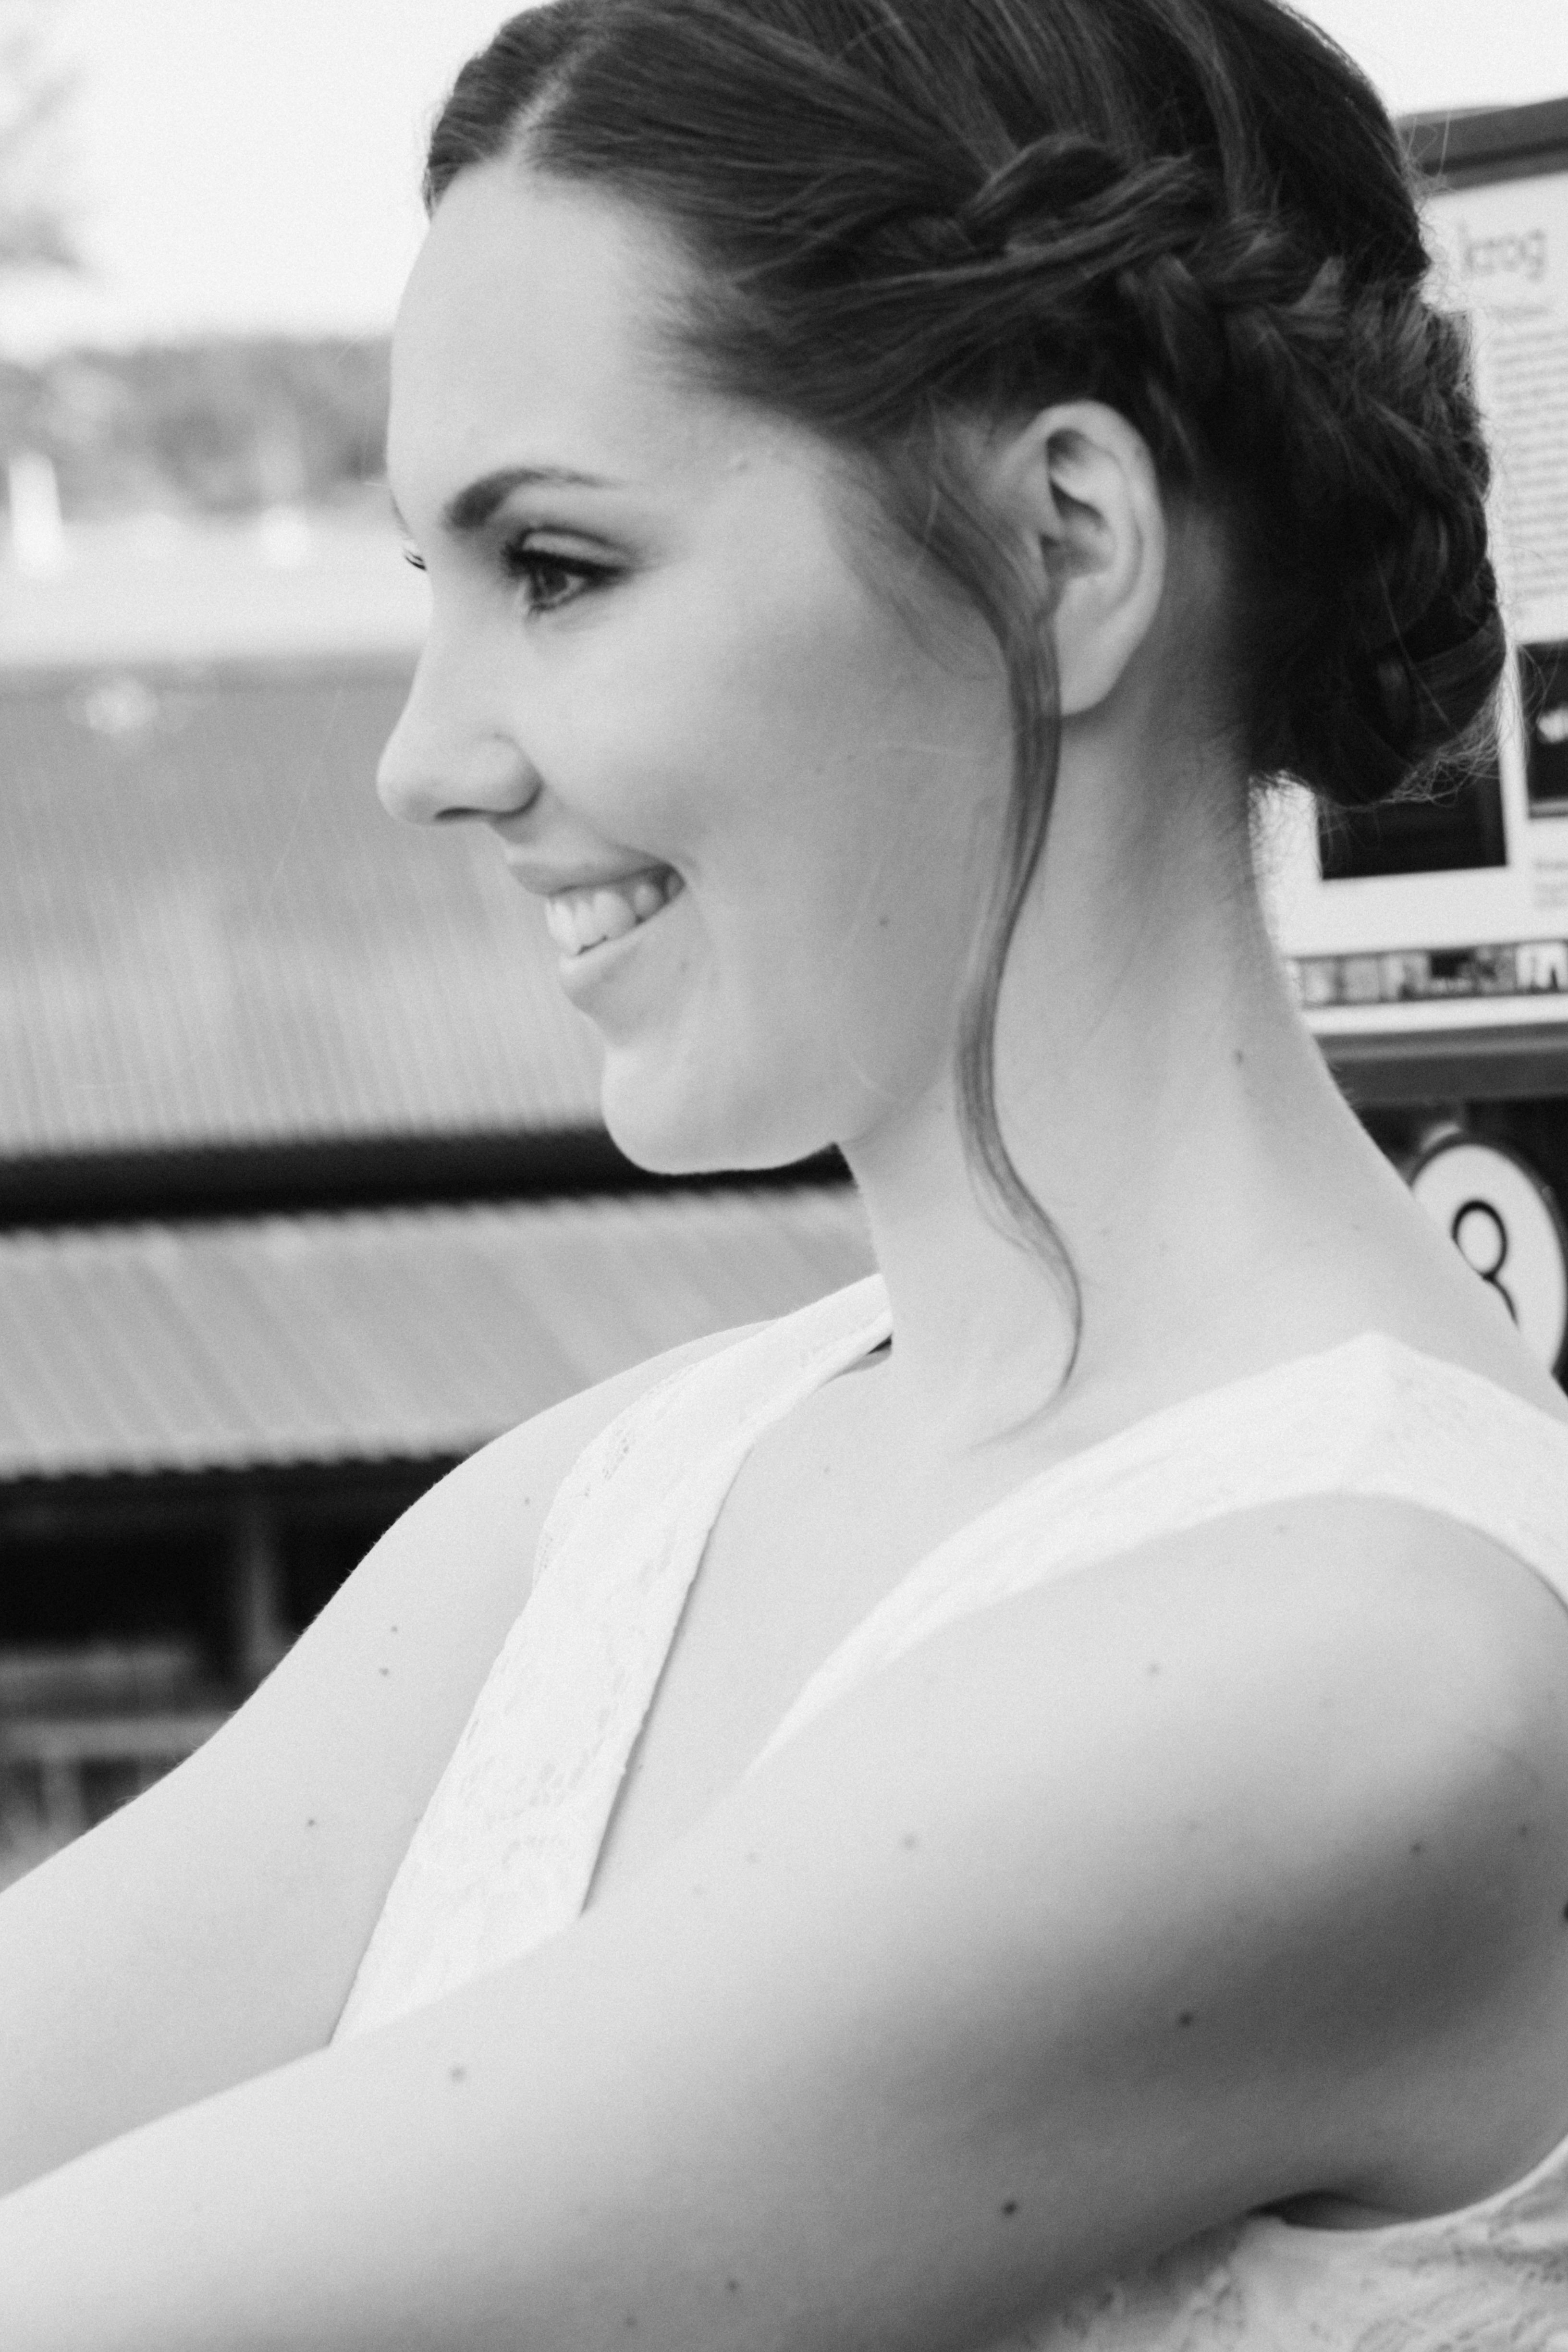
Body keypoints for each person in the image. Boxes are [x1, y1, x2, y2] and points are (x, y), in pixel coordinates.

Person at [4, 0, 1568, 2340]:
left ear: (1059, 549)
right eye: (431, 576)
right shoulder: (622, 1494)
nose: (424, 757)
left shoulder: (1371, 1661)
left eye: (556, 567)